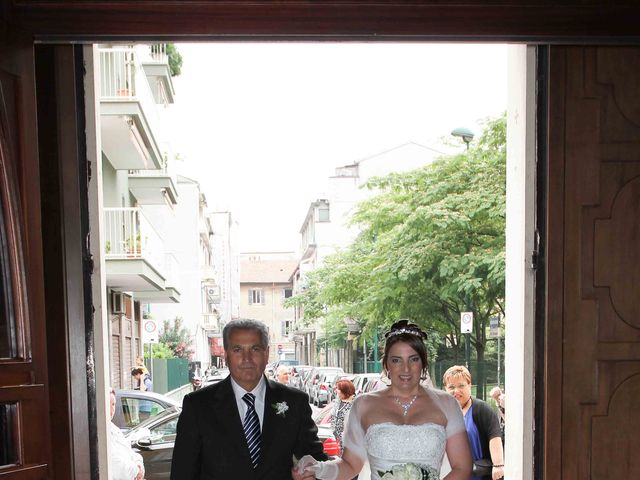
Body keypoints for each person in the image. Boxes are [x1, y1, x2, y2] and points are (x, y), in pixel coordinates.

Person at [296, 320, 472, 480]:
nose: (406, 369)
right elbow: (350, 465)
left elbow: (462, 467)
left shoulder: (447, 404)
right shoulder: (364, 404)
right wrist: (318, 469)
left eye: (414, 359)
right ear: (386, 364)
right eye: (396, 360)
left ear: (423, 363)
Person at [170, 318, 327, 479]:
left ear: (266, 354)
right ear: (226, 355)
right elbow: (182, 473)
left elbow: (316, 462)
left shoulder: (294, 403)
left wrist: (312, 474)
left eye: (255, 349)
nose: (247, 358)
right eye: (237, 349)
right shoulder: (198, 406)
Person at [443, 366, 504, 480]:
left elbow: (494, 436)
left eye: (461, 385)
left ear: (469, 385)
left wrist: (498, 465)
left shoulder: (481, 409)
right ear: (445, 389)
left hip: (479, 475)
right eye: (451, 387)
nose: (456, 391)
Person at [109, 387, 145, 480]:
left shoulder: (113, 428)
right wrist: (137, 470)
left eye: (113, 404)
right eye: (108, 404)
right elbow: (118, 466)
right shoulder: (102, 432)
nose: (111, 409)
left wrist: (139, 464)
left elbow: (130, 452)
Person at [330, 379, 356, 455]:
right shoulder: (338, 401)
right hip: (337, 441)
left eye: (338, 389)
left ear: (344, 390)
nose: (336, 391)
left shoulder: (355, 403)